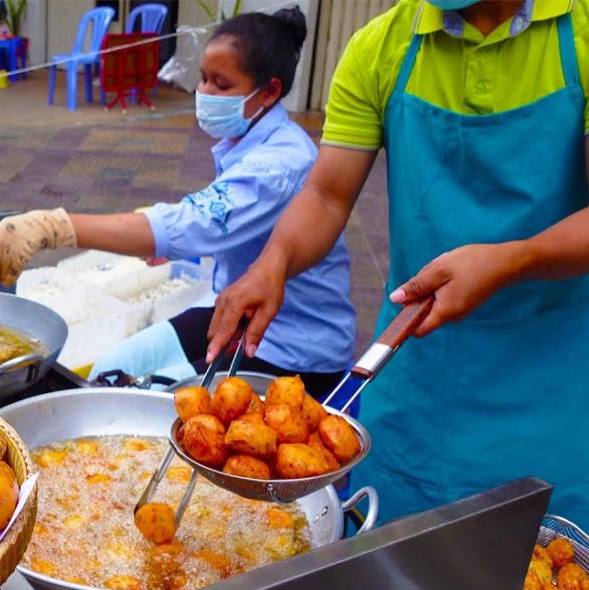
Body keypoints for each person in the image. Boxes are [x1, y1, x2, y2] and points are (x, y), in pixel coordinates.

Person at [205, 0, 589, 520]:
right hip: (414, 375)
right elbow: (327, 195)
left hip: (553, 387)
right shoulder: (381, 46)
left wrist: (513, 259)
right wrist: (275, 260)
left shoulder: (580, 33)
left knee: (538, 582)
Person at [0, 8, 356, 399]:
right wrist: (156, 234)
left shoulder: (279, 163)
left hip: (293, 349)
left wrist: (52, 227)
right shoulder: (251, 140)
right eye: (204, 79)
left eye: (221, 85)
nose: (204, 93)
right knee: (112, 372)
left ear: (269, 92)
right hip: (234, 314)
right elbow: (210, 218)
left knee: (156, 407)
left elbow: (193, 224)